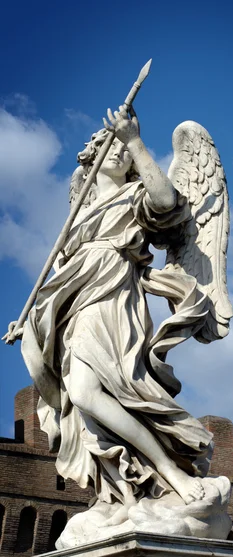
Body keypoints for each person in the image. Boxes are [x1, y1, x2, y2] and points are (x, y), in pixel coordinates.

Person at [5, 106, 213, 521]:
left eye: (123, 148)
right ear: (92, 156)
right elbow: (60, 276)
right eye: (110, 146)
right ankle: (128, 489)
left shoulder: (134, 196)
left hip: (115, 298)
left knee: (93, 391)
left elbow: (166, 200)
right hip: (76, 306)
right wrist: (31, 321)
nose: (119, 153)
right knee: (84, 397)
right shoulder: (77, 215)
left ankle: (170, 471)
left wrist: (134, 140)